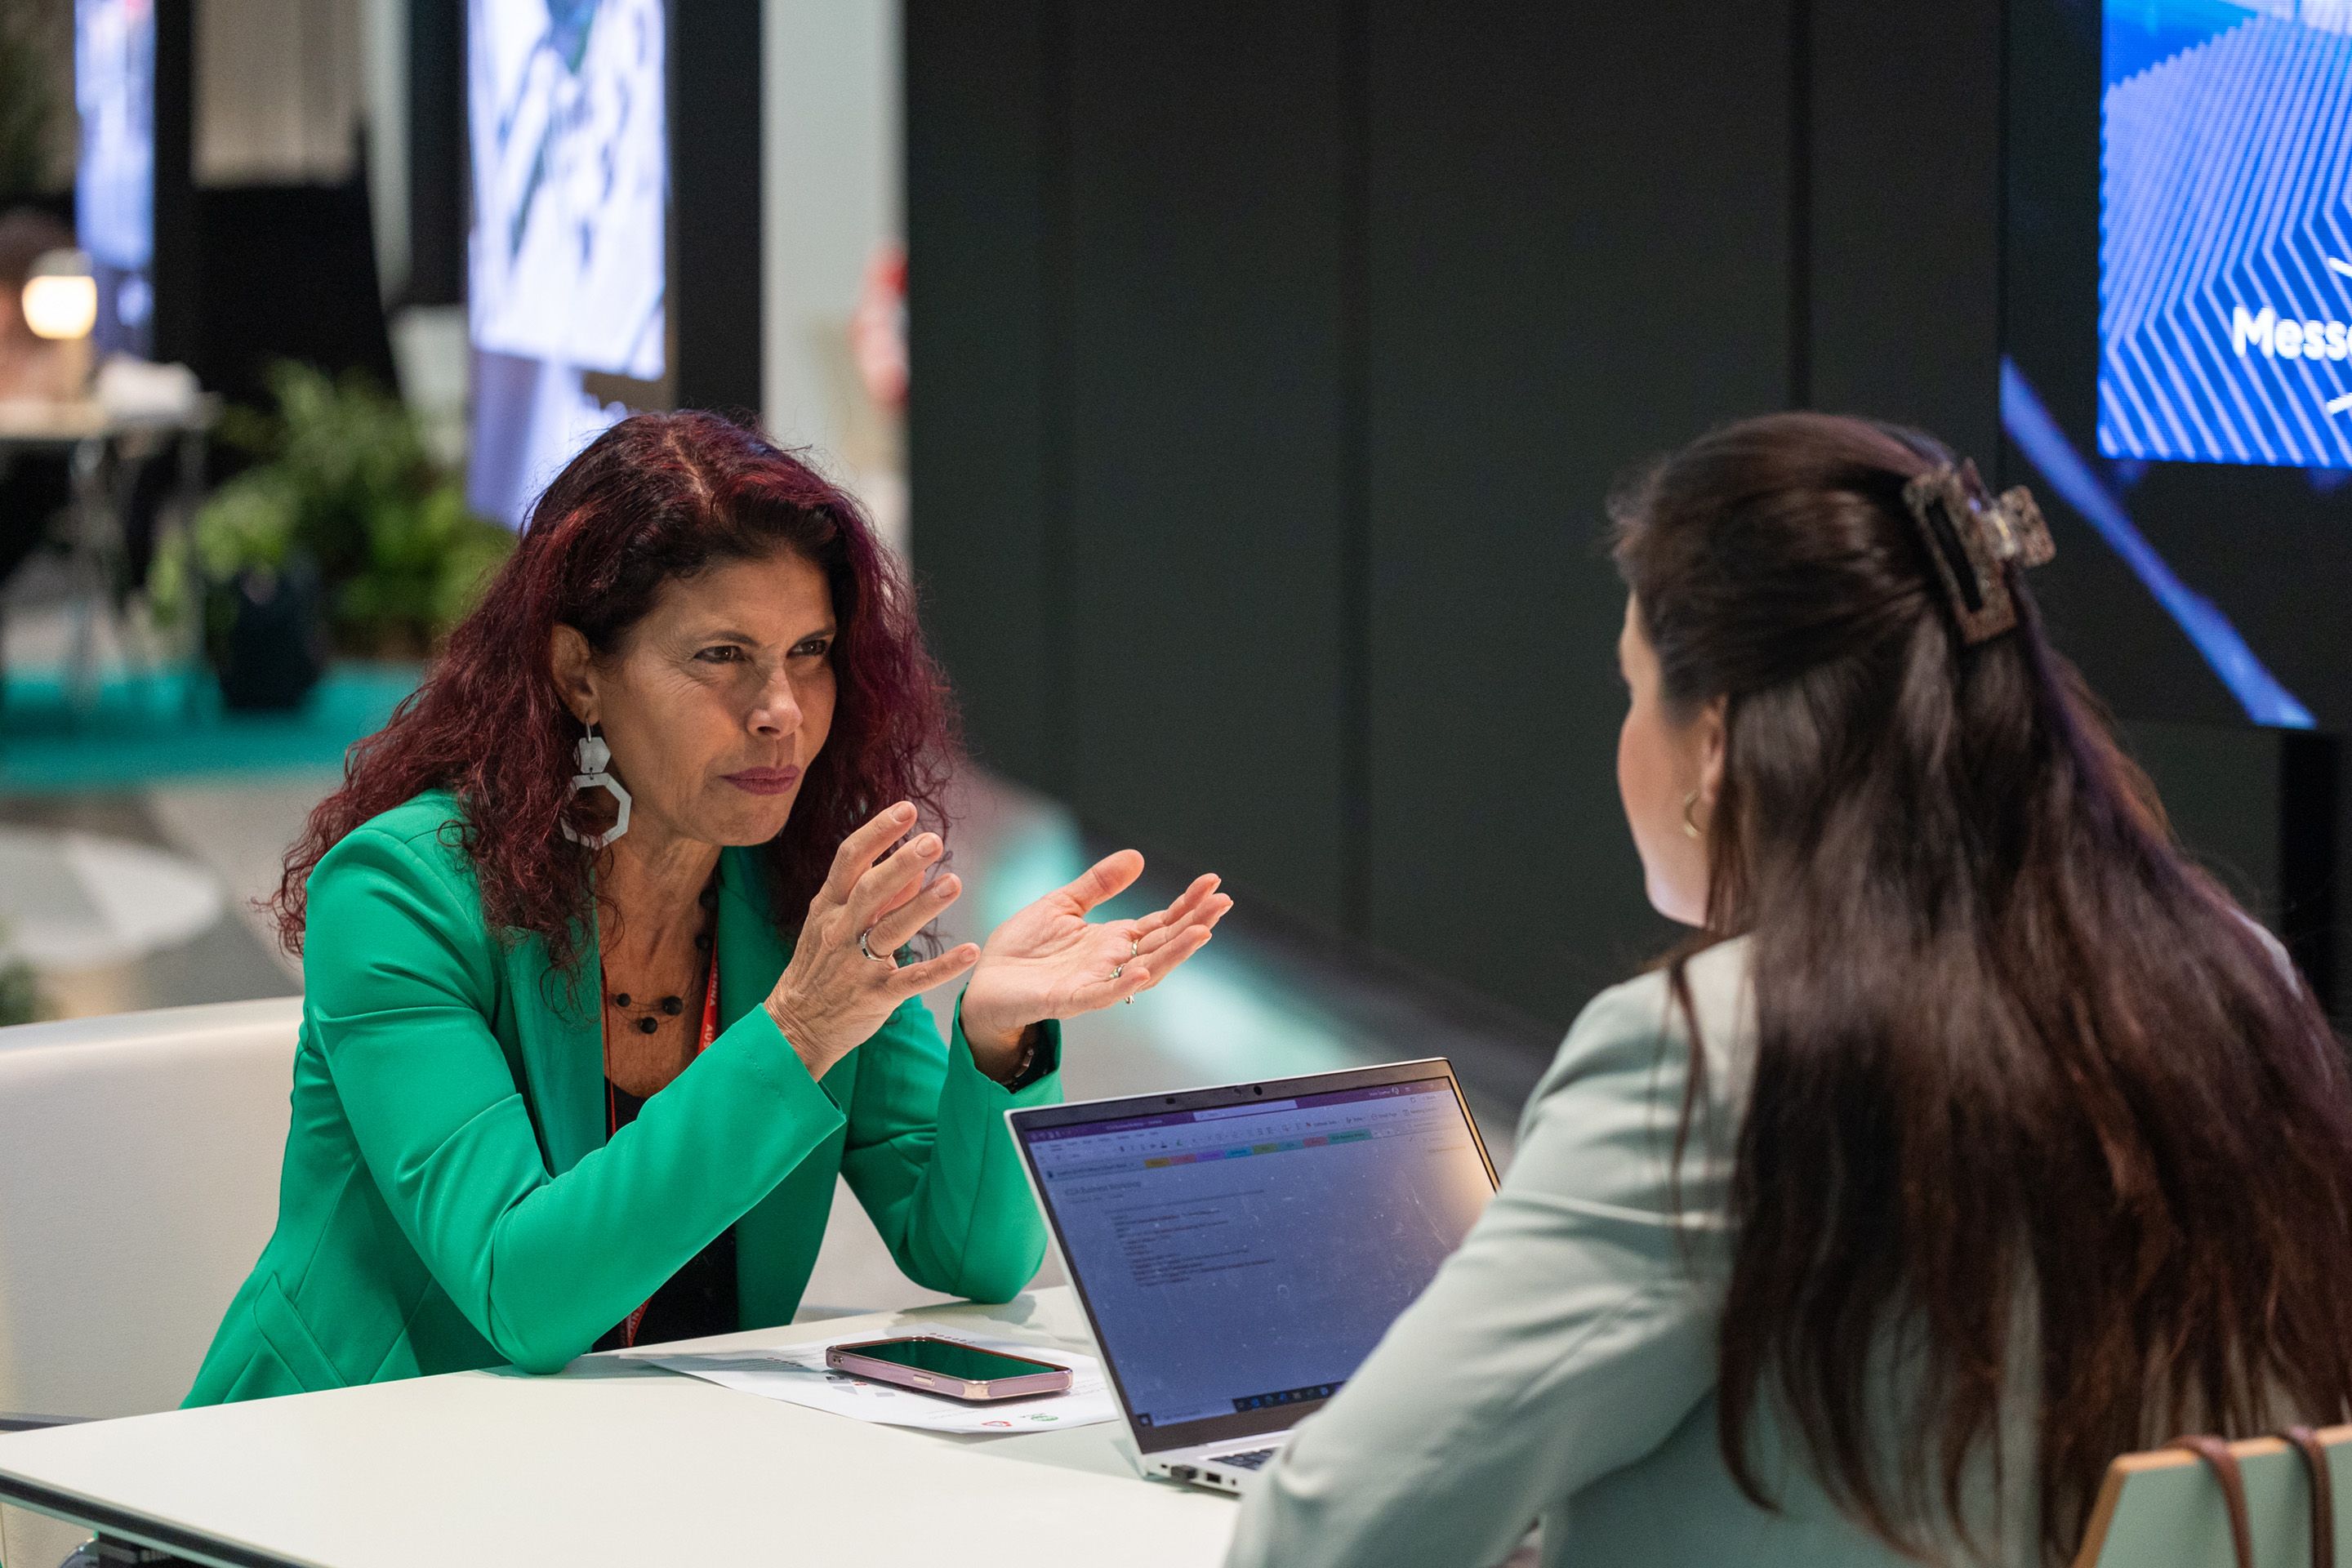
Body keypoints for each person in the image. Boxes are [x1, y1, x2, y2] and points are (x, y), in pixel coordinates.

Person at [1226, 413, 2352, 1567]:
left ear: (1716, 741)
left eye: (1631, 688)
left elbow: (1332, 1535)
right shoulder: (2232, 984)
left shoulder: (1717, 1056)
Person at [185, 411, 1230, 1401]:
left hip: (633, 1491)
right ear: (580, 674)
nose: (781, 712)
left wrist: (998, 1040)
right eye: (721, 657)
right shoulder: (402, 893)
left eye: (809, 654)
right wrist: (796, 1032)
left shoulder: (792, 892)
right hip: (333, 1481)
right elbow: (522, 1292)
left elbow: (971, 1255)